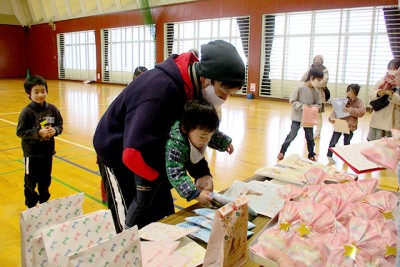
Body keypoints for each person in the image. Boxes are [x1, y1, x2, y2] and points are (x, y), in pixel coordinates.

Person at [93, 40, 245, 232]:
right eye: (224, 91)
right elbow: (133, 153)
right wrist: (166, 177)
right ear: (206, 78)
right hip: (118, 154)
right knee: (132, 226)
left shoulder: (194, 90)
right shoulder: (161, 90)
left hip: (153, 152)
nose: (224, 98)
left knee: (164, 217)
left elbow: (186, 138)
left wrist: (201, 173)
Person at [165, 98, 232, 205]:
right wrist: (195, 193)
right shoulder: (176, 144)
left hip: (187, 155)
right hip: (153, 170)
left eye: (209, 136)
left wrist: (225, 142)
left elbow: (214, 135)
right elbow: (175, 173)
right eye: (202, 137)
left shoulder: (199, 133)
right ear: (184, 129)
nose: (206, 140)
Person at [16, 75, 63, 208]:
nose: (40, 95)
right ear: (28, 94)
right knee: (31, 181)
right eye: (36, 92)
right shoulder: (27, 112)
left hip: (47, 153)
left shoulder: (52, 109)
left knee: (45, 179)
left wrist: (55, 130)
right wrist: (38, 133)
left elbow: (59, 124)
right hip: (32, 155)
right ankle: (31, 204)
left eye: (43, 91)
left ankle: (44, 202)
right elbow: (20, 132)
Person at [277, 67, 323, 162]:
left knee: (310, 138)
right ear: (311, 77)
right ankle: (282, 151)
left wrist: (313, 107)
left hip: (308, 119)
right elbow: (292, 100)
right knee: (292, 135)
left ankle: (311, 154)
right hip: (297, 118)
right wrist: (303, 106)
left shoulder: (316, 91)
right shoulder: (300, 87)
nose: (319, 82)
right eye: (318, 80)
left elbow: (319, 105)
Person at [327, 84, 366, 164]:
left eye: (351, 94)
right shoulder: (342, 100)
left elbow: (362, 112)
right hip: (339, 125)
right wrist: (331, 118)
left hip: (350, 126)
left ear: (356, 94)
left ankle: (346, 157)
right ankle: (329, 155)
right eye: (348, 92)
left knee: (347, 143)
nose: (349, 95)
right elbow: (335, 111)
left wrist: (350, 110)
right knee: (333, 141)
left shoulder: (359, 101)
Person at [367, 58, 400, 141]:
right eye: (390, 68)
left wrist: (392, 96)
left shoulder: (398, 84)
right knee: (375, 143)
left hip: (393, 121)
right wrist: (378, 93)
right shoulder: (382, 81)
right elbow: (370, 94)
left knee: (390, 146)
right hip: (379, 117)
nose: (392, 71)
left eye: (394, 68)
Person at [301, 55, 329, 139]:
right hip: (309, 94)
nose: (317, 61)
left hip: (320, 95)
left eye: (319, 59)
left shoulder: (325, 70)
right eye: (316, 59)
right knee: (308, 113)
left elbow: (324, 82)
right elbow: (302, 80)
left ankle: (318, 132)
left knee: (318, 114)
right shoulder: (310, 69)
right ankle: (309, 132)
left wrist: (312, 83)